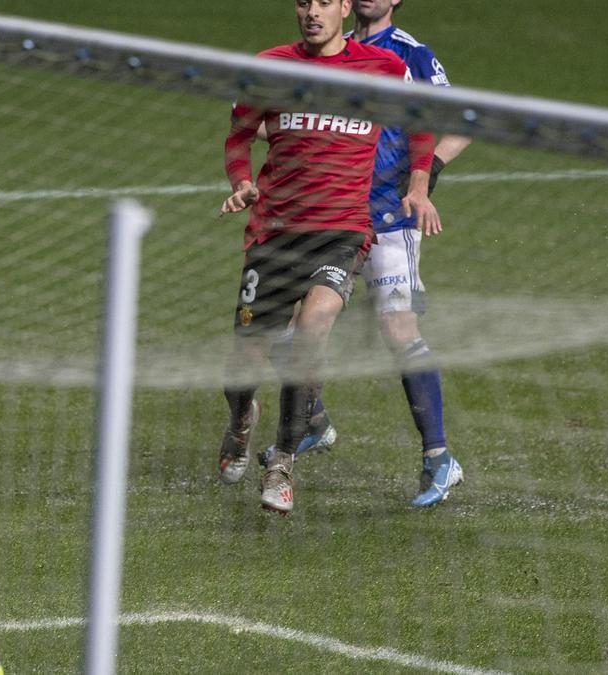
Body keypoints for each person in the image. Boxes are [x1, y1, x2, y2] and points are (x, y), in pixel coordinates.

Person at [217, 0, 438, 515]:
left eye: (324, 2)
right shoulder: (270, 66)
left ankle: (283, 465)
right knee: (243, 363)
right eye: (304, 2)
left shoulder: (382, 68)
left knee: (313, 327)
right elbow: (239, 135)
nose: (312, 12)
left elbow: (420, 120)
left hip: (341, 233)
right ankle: (240, 419)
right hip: (273, 235)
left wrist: (420, 183)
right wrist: (242, 183)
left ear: (344, 7)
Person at [261, 0, 472, 508]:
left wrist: (424, 181)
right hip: (331, 214)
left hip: (391, 219)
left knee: (398, 329)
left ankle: (439, 458)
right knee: (283, 329)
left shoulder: (410, 55)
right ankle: (311, 421)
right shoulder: (334, 51)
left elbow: (460, 121)